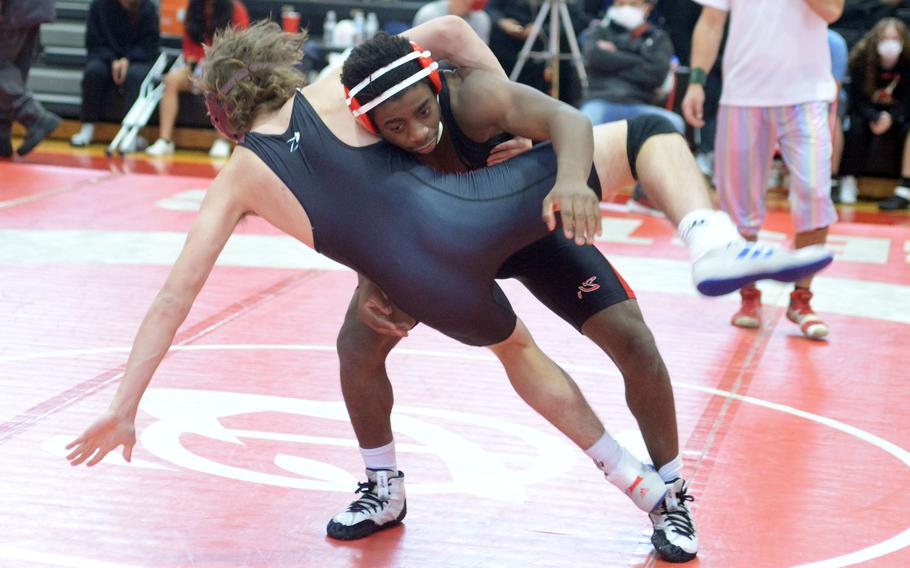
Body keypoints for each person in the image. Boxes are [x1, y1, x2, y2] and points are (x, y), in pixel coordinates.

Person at [64, 18, 830, 561]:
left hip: (439, 276)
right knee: (643, 133)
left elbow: (174, 300)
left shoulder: (236, 178)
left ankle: (647, 486)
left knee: (511, 345)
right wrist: (507, 109)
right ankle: (707, 236)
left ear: (222, 117)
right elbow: (451, 37)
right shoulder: (339, 86)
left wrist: (123, 406)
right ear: (280, 68)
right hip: (482, 218)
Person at [326, 30, 698, 562]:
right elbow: (361, 222)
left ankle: (673, 494)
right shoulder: (363, 149)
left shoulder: (474, 97)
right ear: (370, 126)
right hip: (441, 252)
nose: (418, 131)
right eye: (396, 127)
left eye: (423, 111)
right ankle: (383, 487)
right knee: (357, 345)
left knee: (634, 341)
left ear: (437, 86)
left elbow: (568, 120)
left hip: (526, 232)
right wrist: (368, 282)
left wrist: (571, 180)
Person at [681, 0, 842, 340]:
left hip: (806, 93)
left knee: (814, 193)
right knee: (739, 207)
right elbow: (710, 22)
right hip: (742, 95)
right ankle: (749, 296)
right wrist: (696, 80)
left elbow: (833, 11)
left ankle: (802, 299)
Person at [145, 0, 248, 158]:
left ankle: (221, 141)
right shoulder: (193, 8)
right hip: (198, 65)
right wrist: (196, 68)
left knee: (223, 84)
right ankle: (164, 140)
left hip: (226, 67)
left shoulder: (236, 9)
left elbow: (241, 48)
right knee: (171, 80)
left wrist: (212, 72)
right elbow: (189, 46)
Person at [840, 18, 910, 211]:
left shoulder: (907, 61)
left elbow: (907, 101)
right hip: (866, 111)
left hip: (897, 113)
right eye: (885, 38)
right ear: (876, 39)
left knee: (906, 129)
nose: (890, 43)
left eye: (895, 38)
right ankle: (848, 180)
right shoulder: (861, 60)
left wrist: (891, 117)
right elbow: (857, 98)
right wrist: (874, 116)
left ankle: (904, 189)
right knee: (856, 126)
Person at [70, 0, 160, 147]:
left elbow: (150, 44)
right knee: (93, 72)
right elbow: (93, 41)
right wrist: (112, 60)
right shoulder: (98, 5)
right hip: (106, 57)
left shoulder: (147, 7)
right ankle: (87, 127)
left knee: (136, 76)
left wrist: (128, 60)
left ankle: (132, 132)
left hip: (137, 60)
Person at [0, 0, 61, 157]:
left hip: (13, 10)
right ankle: (2, 137)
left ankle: (35, 117)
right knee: (13, 72)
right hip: (31, 9)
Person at [413, 0, 491, 44]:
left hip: (466, 67)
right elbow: (417, 48)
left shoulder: (481, 18)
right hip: (431, 65)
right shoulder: (429, 13)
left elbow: (480, 54)